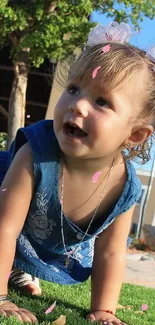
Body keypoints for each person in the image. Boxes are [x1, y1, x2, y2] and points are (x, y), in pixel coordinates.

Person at [0, 21, 155, 324]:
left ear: (135, 135)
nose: (78, 105)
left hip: (37, 237)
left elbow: (110, 254)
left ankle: (18, 270)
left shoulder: (124, 190)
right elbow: (5, 226)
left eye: (101, 101)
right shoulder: (37, 150)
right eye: (73, 89)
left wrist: (103, 310)